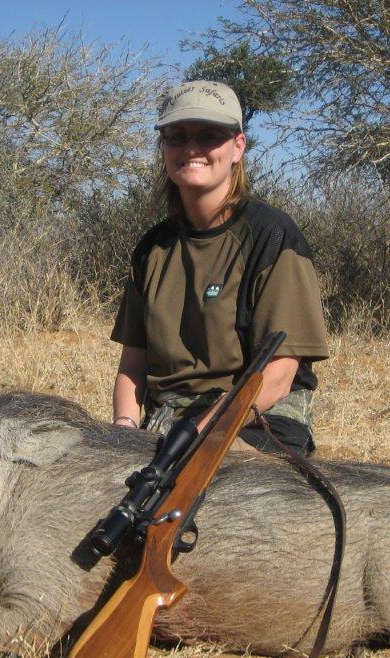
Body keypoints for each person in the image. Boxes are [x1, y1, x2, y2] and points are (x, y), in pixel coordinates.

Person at [110, 80, 329, 456]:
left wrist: (197, 433)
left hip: (258, 418)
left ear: (238, 147)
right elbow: (133, 364)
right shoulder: (152, 248)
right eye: (177, 136)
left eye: (209, 135)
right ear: (163, 146)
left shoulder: (272, 236)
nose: (192, 148)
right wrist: (123, 431)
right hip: (170, 423)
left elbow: (278, 377)